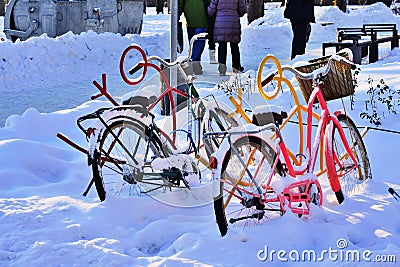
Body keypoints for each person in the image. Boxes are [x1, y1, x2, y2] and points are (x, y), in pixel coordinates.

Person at [208, 0, 246, 76]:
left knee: (222, 46)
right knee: (234, 46)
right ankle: (236, 67)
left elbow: (211, 11)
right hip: (233, 22)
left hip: (220, 22)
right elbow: (242, 10)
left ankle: (222, 69)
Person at [179, 0, 210, 74]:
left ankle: (193, 63)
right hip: (202, 18)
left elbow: (180, 3)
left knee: (192, 43)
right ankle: (195, 64)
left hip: (189, 18)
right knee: (199, 43)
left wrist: (178, 13)